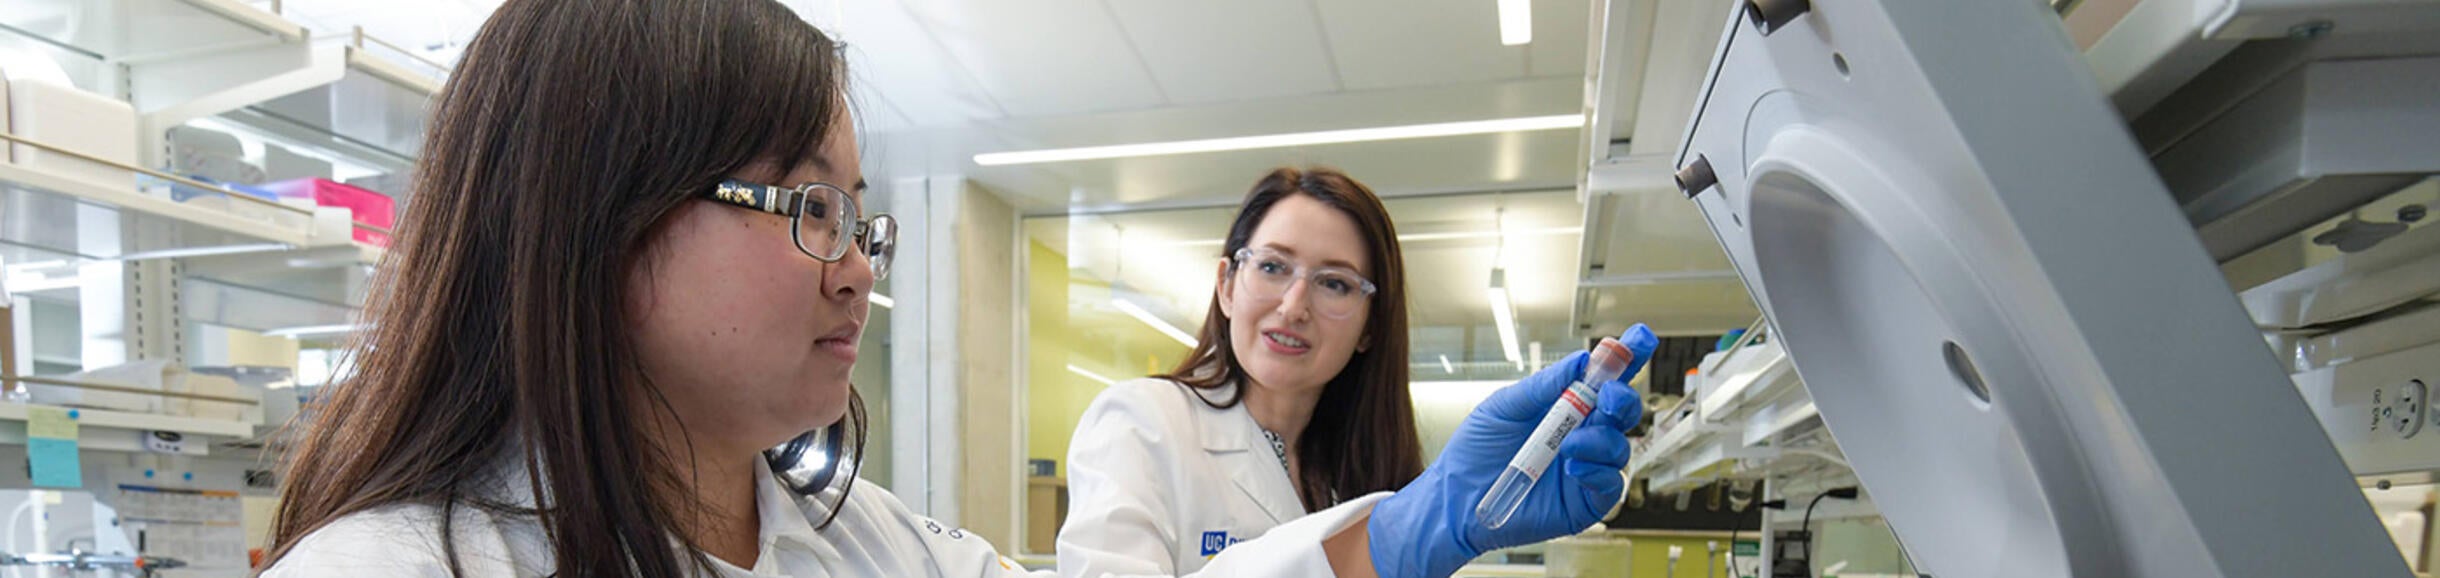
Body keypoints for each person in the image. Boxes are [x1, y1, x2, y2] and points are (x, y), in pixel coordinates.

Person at [259, 1, 1645, 577]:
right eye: (808, 206)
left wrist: (1397, 533)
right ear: (597, 219)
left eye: (863, 217)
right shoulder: (399, 567)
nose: (859, 263)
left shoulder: (844, 529)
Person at [1057, 168, 1660, 577]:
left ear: (1371, 325)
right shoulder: (1142, 424)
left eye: (1335, 283)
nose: (1294, 305)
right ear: (1226, 285)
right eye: (1272, 267)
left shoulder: (1364, 468)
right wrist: (1382, 543)